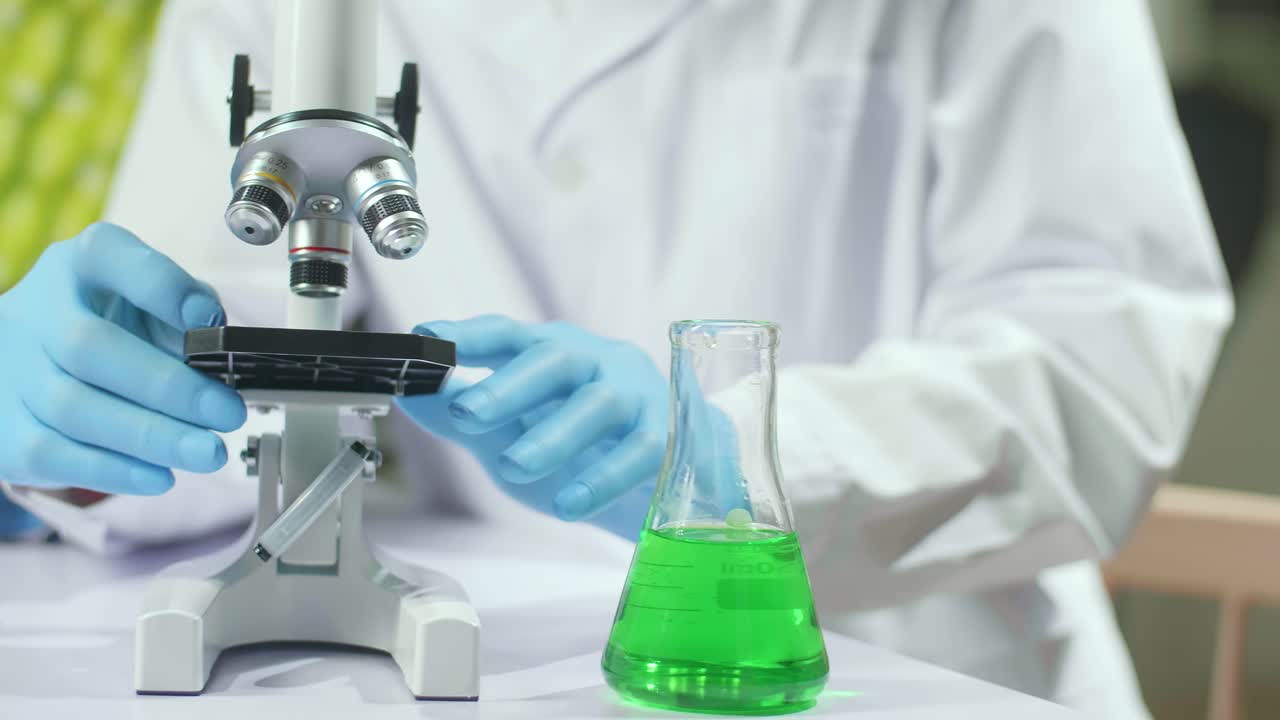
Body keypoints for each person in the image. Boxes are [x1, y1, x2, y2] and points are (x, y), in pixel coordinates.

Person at [0, 2, 1232, 717]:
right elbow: (201, 330)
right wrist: (80, 404)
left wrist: (732, 455)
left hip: (908, 662)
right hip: (510, 664)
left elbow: (1103, 350)